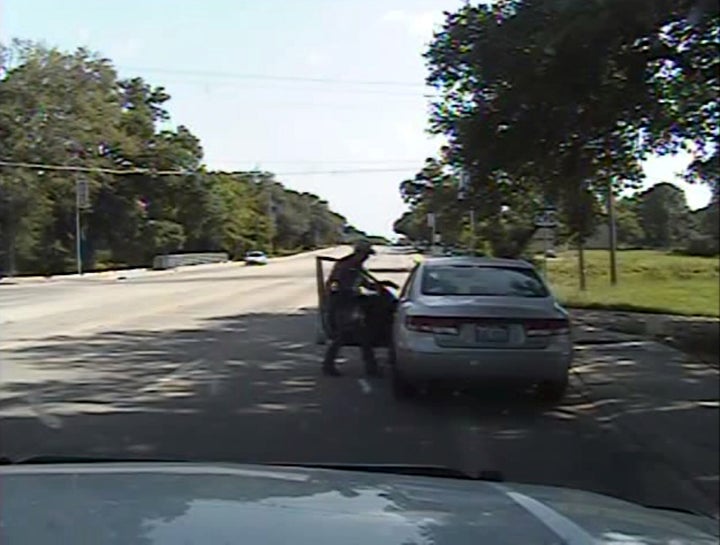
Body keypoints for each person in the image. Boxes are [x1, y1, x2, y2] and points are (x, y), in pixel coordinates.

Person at [321, 240, 381, 377]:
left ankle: (371, 367)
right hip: (344, 303)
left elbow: (365, 282)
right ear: (359, 253)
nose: (367, 257)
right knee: (346, 335)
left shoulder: (357, 266)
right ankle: (329, 365)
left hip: (352, 303)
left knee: (360, 336)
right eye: (366, 254)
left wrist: (378, 286)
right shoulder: (346, 265)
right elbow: (335, 283)